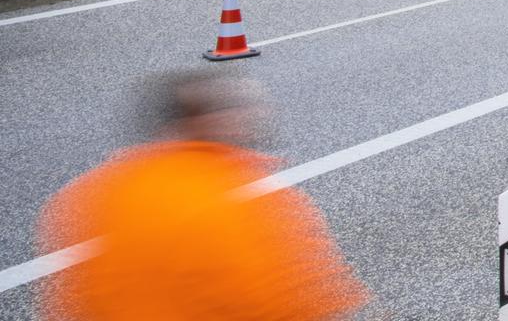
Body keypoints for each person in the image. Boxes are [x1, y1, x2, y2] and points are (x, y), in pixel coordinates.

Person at [36, 71, 369, 321]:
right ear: (205, 121)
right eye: (234, 110)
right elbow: (293, 303)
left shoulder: (85, 196)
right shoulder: (251, 204)